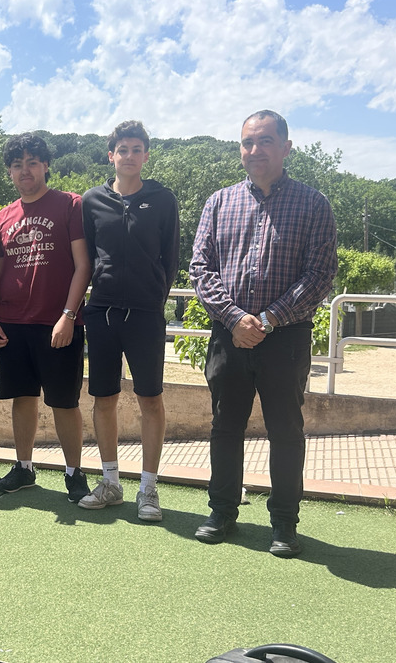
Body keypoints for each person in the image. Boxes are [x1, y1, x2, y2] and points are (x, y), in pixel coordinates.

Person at [190, 110, 337, 557]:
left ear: (286, 147)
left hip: (286, 339)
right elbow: (201, 268)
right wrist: (235, 319)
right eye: (247, 142)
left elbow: (320, 274)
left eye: (265, 141)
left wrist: (268, 319)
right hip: (228, 336)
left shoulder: (314, 204)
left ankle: (285, 523)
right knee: (224, 426)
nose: (255, 150)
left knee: (286, 430)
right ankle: (222, 511)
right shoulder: (219, 202)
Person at [77, 120, 180, 520]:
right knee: (103, 398)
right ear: (111, 156)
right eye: (123, 149)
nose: (130, 156)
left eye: (137, 149)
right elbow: (85, 260)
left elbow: (170, 260)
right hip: (101, 312)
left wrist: (154, 298)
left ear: (146, 156)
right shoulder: (92, 201)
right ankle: (110, 483)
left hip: (145, 315)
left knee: (150, 399)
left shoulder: (163, 199)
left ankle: (149, 488)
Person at [0, 133, 92, 502]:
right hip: (12, 322)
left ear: (46, 165)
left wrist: (68, 315)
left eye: (32, 162)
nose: (25, 170)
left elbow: (84, 266)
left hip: (57, 323)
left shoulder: (70, 204)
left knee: (64, 401)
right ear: (10, 172)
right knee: (22, 397)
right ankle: (24, 467)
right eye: (17, 164)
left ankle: (74, 473)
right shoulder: (2, 216)